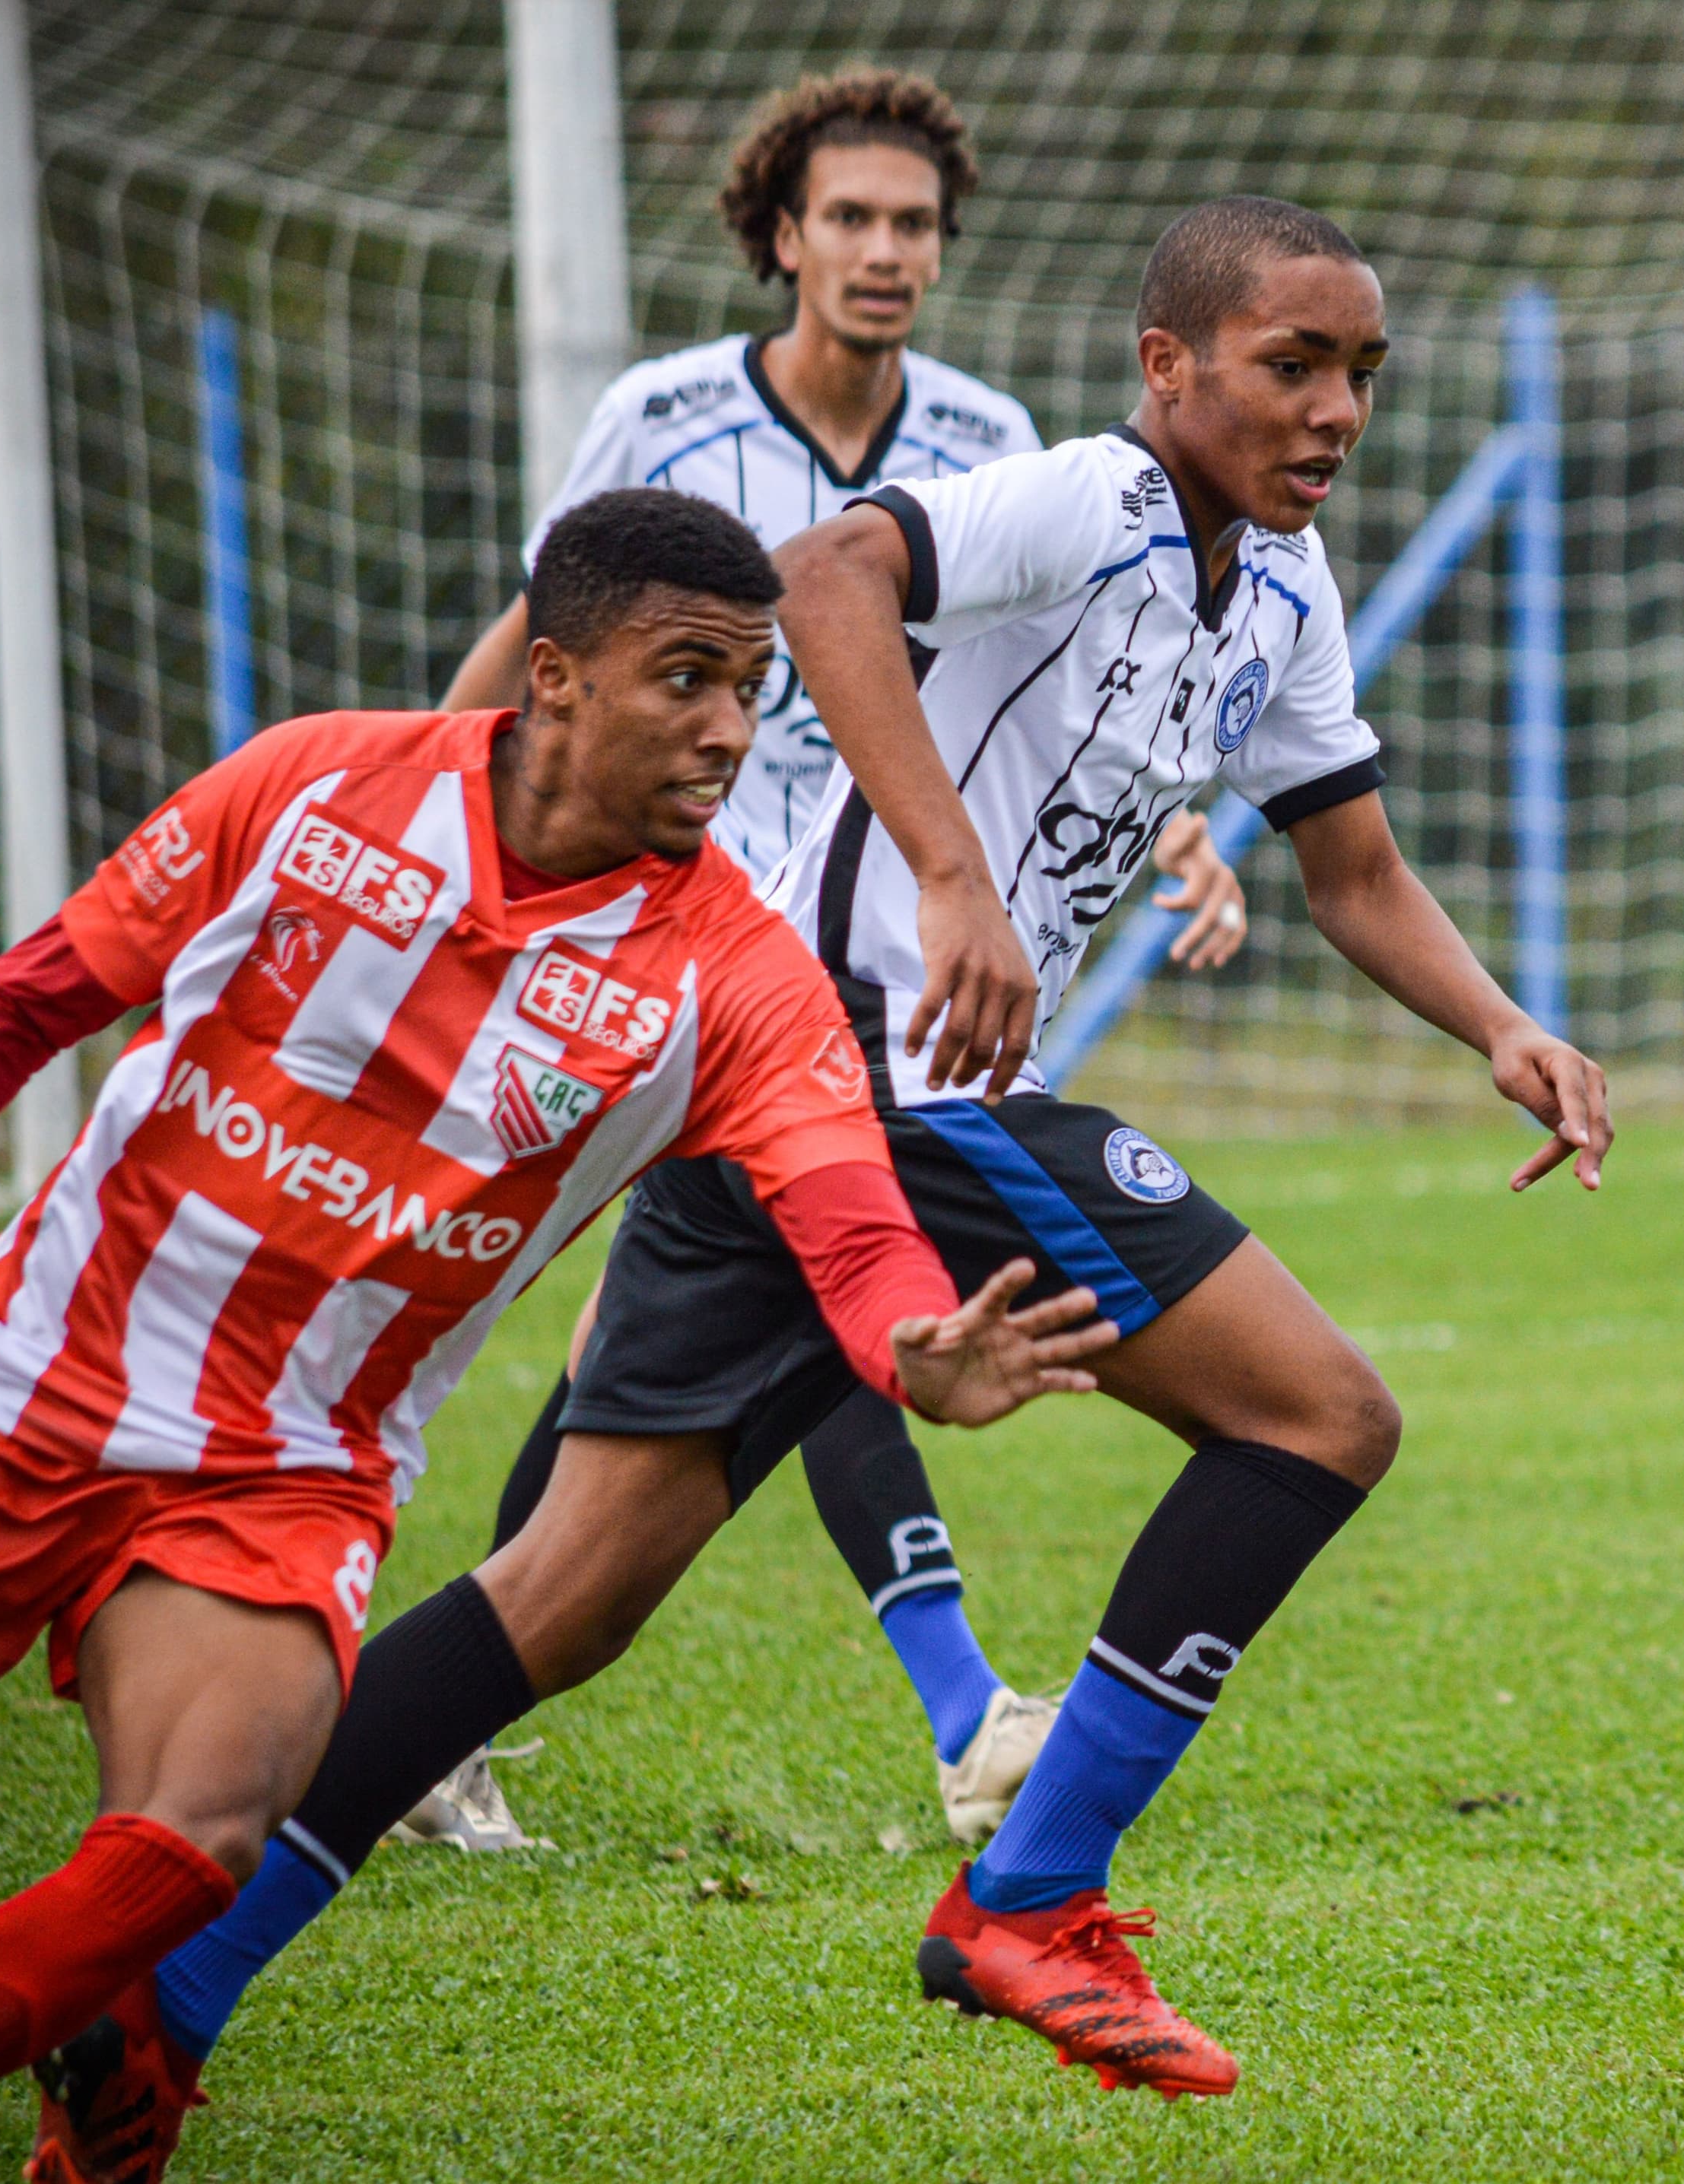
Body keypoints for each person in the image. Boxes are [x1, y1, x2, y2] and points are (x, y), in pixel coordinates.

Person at [103, 191, 1609, 2139]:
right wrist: (952, 875)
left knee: (565, 1593)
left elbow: (1355, 869)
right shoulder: (1089, 497)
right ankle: (1029, 1898)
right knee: (1319, 1418)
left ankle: (159, 1994)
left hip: (774, 1094)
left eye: (1362, 374)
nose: (1336, 410)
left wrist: (1501, 1027)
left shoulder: (1286, 592)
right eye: (1292, 365)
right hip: (897, 1079)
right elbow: (825, 574)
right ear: (1168, 366)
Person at [0, 489, 1110, 2184]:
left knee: (196, 1841)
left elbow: (854, 1222)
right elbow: (38, 993)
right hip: (28, 1374)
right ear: (555, 676)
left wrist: (912, 1346)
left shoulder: (736, 977)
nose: (732, 731)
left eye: (753, 690)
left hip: (288, 1467)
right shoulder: (313, 784)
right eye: (687, 679)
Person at [406, 66, 1253, 1855]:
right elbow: (538, 639)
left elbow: (1080, 685)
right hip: (664, 926)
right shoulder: (663, 416)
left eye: (913, 223)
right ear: (781, 237)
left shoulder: (988, 432)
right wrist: (421, 831)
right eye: (850, 218)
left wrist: (1170, 831)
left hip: (856, 970)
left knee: (732, 1302)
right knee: (679, 1280)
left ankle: (428, 1719)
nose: (884, 250)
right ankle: (952, 1713)